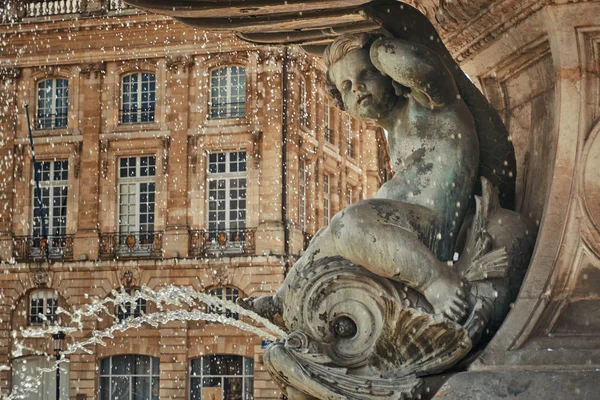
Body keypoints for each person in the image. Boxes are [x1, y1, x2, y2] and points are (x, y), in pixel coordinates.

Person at [288, 32, 481, 321]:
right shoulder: (394, 138)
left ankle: (436, 282)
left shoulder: (430, 104)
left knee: (347, 224)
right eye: (346, 86)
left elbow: (422, 66)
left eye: (366, 74)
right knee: (325, 238)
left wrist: (377, 49)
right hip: (408, 242)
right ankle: (283, 298)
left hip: (435, 237)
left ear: (388, 74)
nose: (357, 88)